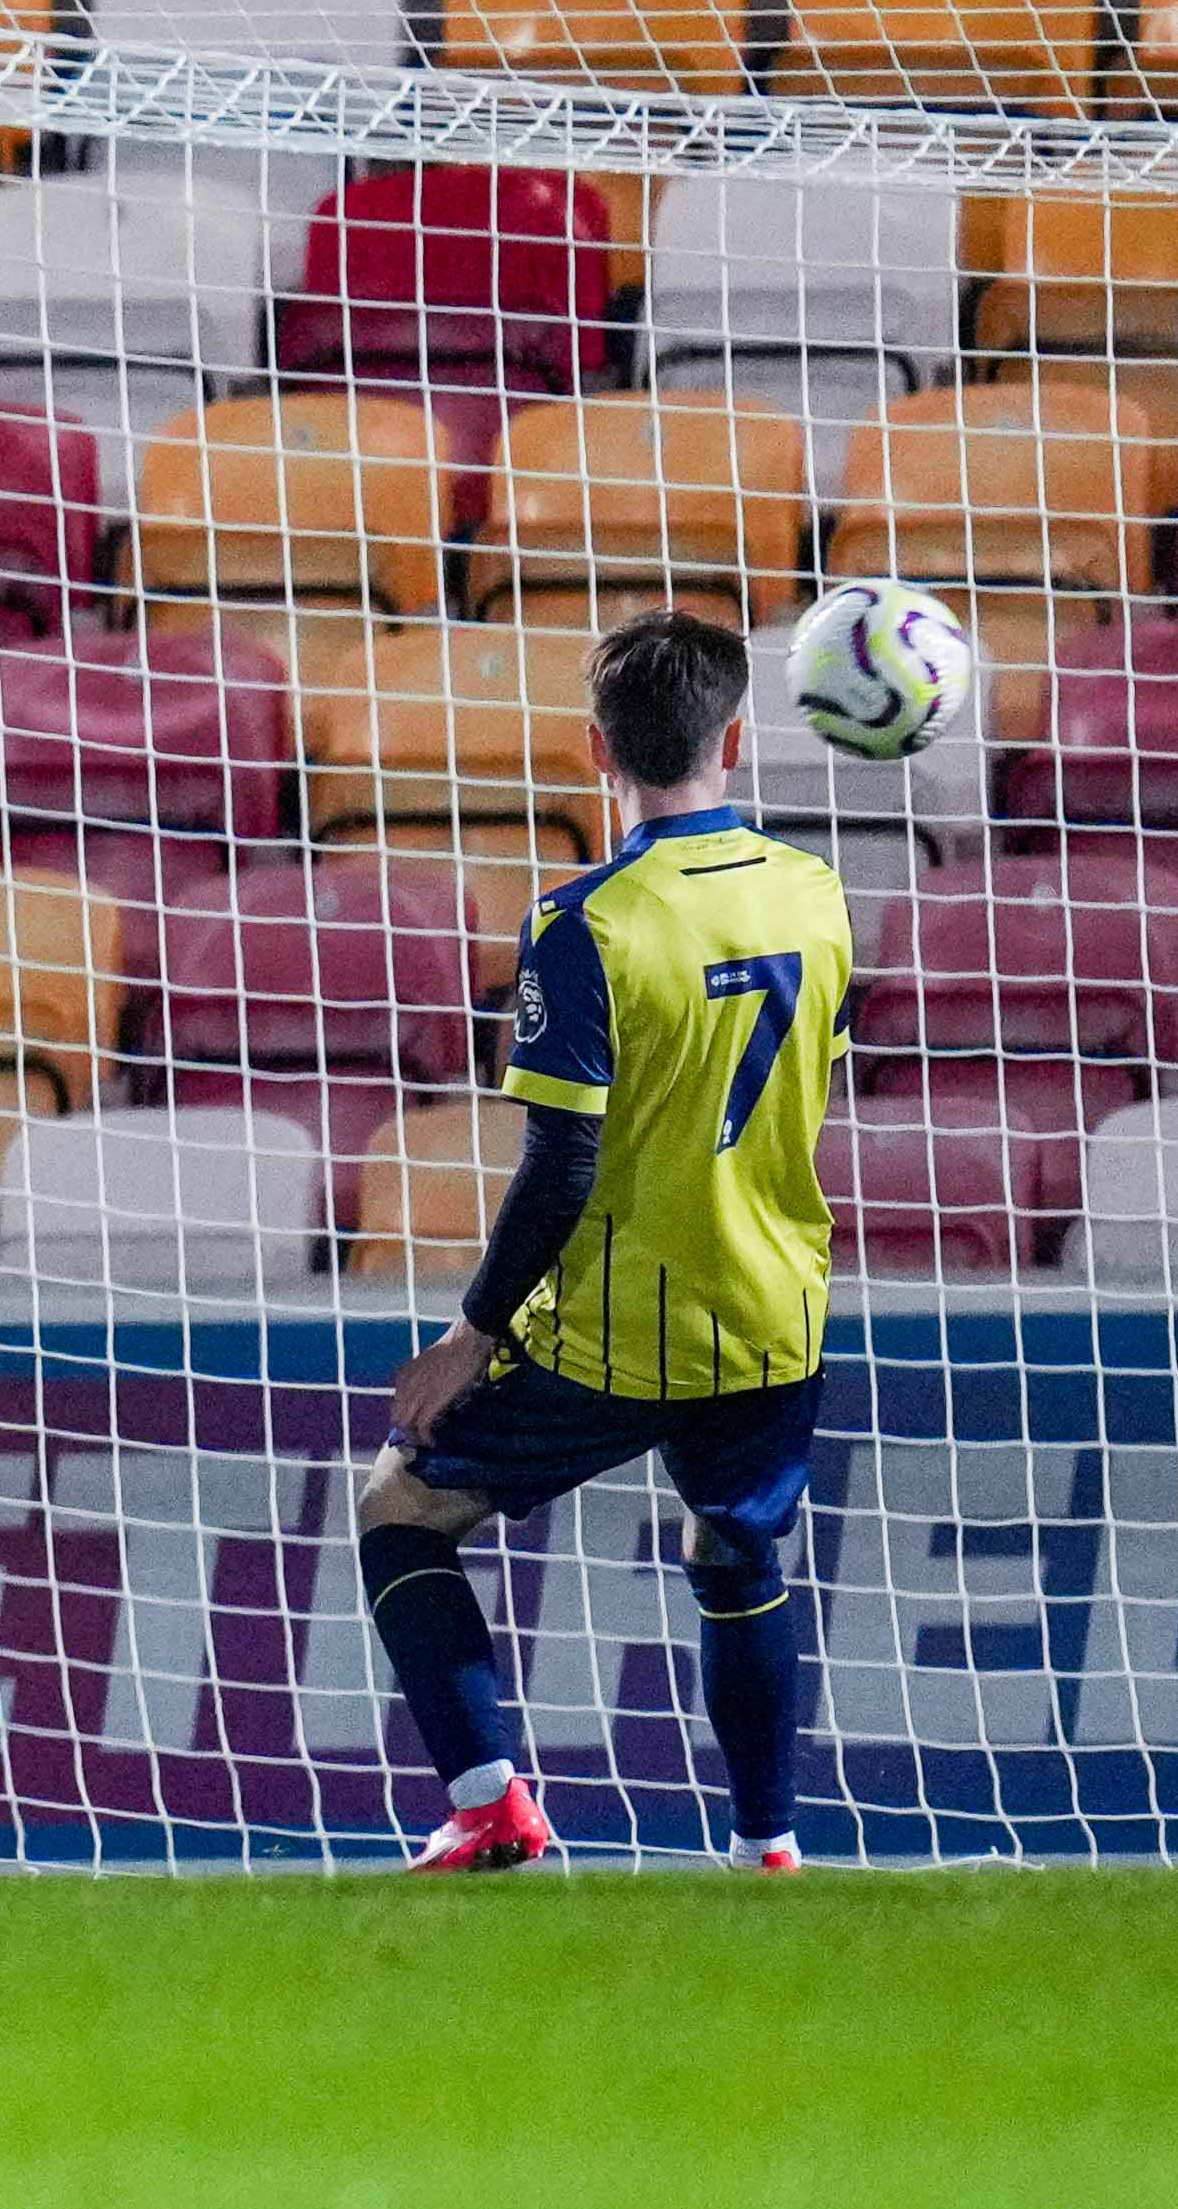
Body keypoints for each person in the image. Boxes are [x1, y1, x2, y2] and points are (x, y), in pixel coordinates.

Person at [354, 608, 856, 1875]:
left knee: (400, 1512)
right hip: (774, 1306)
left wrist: (471, 1336)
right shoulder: (816, 892)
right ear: (735, 739)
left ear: (596, 750)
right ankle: (767, 1848)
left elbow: (561, 1159)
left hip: (621, 1322)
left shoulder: (586, 921)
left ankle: (490, 1806)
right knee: (734, 1546)